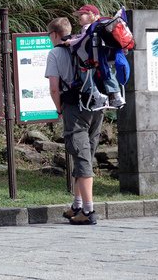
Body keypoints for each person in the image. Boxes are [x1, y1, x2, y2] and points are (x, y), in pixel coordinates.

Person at [45, 17, 103, 225]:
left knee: (81, 156)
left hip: (75, 106)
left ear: (54, 34)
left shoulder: (55, 52)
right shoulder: (85, 45)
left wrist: (59, 108)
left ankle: (88, 212)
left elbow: (54, 87)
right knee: (86, 154)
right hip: (97, 105)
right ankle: (77, 205)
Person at [68, 4, 125, 108]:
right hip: (104, 59)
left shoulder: (89, 27)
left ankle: (98, 97)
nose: (79, 17)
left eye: (82, 14)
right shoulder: (101, 26)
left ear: (91, 15)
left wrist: (69, 42)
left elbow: (81, 41)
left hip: (90, 60)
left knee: (84, 77)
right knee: (108, 75)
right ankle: (117, 95)